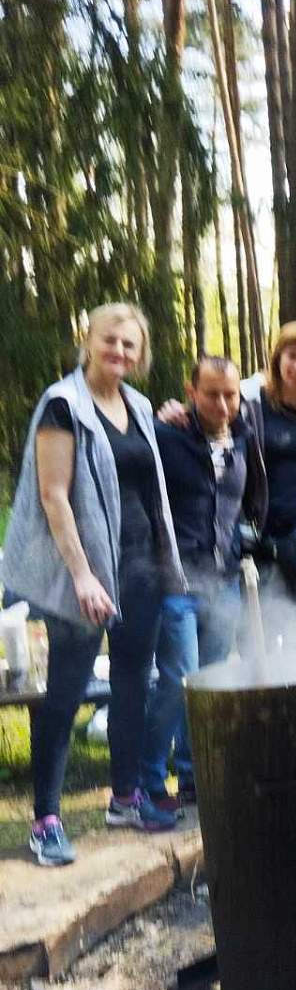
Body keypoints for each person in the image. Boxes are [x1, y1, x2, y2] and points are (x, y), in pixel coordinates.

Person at [2, 304, 185, 864]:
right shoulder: (64, 405)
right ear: (89, 339)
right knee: (64, 694)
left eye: (130, 345)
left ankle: (125, 797)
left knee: (135, 681)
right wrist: (83, 576)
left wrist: (171, 418)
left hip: (140, 566)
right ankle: (45, 820)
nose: (120, 352)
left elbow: (141, 471)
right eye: (111, 340)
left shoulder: (137, 404)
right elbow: (53, 495)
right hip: (83, 574)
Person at [140, 356, 266, 811]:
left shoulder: (245, 439)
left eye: (229, 394)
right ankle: (151, 779)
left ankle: (193, 776)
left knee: (210, 684)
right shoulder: (166, 437)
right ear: (191, 393)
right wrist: (156, 417)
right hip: (176, 583)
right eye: (211, 393)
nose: (221, 402)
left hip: (224, 582)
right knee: (178, 681)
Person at [159, 320, 296, 603]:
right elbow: (209, 414)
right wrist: (175, 411)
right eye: (292, 356)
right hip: (254, 536)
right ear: (278, 358)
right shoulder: (250, 400)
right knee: (256, 634)